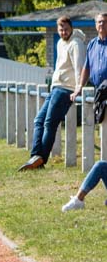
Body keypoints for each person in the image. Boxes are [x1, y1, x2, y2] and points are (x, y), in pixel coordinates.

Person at [19, 16, 86, 171]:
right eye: (61, 30)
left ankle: (40, 160)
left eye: (66, 29)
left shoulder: (76, 43)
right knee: (38, 120)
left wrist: (78, 88)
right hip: (55, 87)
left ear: (71, 28)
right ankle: (36, 157)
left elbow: (79, 66)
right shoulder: (60, 43)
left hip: (66, 89)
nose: (64, 32)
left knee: (50, 123)